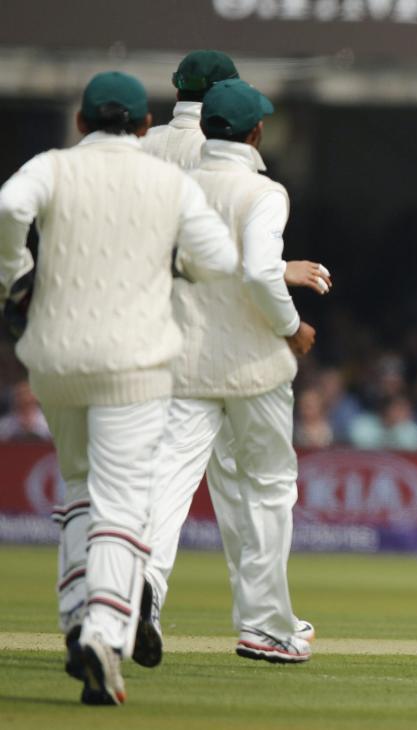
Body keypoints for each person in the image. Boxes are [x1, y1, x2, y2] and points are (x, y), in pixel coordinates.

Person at [0, 71, 238, 704]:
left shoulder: (51, 167)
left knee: (80, 487)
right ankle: (103, 630)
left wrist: (15, 277)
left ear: (81, 122)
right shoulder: (169, 181)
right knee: (123, 500)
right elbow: (218, 258)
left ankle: (78, 616)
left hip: (53, 356)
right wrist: (173, 260)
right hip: (133, 361)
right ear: (143, 126)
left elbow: (7, 207)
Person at [140, 50, 328, 657]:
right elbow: (251, 270)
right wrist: (292, 326)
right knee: (270, 488)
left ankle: (139, 587)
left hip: (184, 361)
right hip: (253, 368)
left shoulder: (171, 183)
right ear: (254, 133)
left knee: (168, 481)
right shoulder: (264, 192)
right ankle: (266, 626)